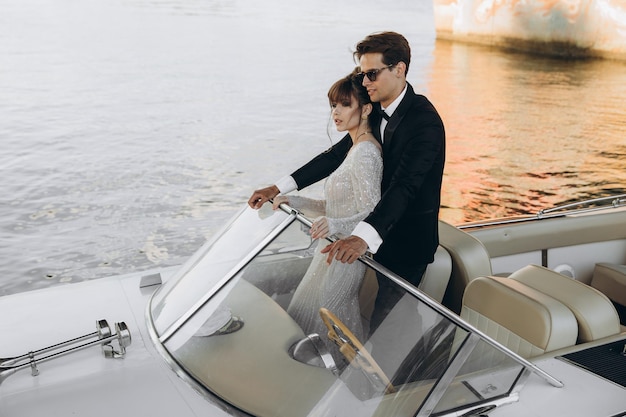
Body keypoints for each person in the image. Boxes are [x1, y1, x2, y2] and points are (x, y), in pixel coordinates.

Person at [249, 31, 445, 335]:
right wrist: (280, 188)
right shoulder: (376, 109)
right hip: (373, 232)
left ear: (399, 69)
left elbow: (405, 186)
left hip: (407, 242)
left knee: (391, 321)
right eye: (363, 74)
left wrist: (362, 236)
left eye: (371, 74)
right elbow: (334, 156)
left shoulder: (425, 123)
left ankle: (408, 379)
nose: (364, 82)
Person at [271, 69, 382, 364]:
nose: (335, 112)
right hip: (331, 249)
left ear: (366, 108)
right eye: (333, 105)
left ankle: (351, 382)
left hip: (348, 256)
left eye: (344, 105)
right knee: (310, 314)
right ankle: (311, 376)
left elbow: (374, 211)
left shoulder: (366, 153)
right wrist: (292, 199)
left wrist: (334, 224)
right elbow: (335, 205)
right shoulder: (354, 148)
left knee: (334, 319)